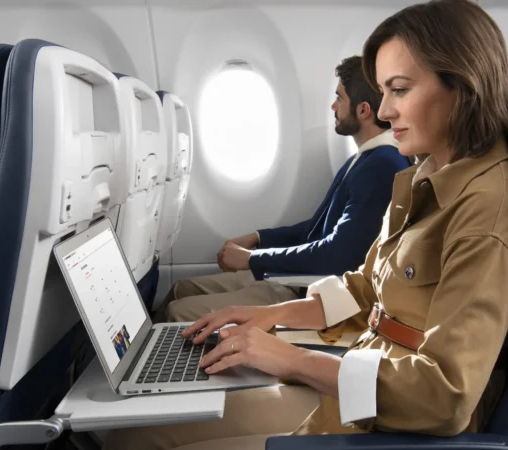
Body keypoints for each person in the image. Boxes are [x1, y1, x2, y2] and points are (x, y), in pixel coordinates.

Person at [103, 1, 508, 448]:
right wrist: (266, 318)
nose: (385, 111)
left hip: (400, 423)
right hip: (361, 376)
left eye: (400, 89)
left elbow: (444, 396)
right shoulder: (422, 181)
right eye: (383, 92)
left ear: (462, 85)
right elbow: (363, 289)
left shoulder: (489, 212)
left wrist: (291, 360)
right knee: (138, 428)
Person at [157, 56, 411, 323]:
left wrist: (252, 260)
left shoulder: (383, 165)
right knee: (179, 289)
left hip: (308, 292)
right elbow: (314, 229)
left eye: (340, 98)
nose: (333, 106)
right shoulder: (364, 159)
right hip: (296, 279)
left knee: (178, 312)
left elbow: (338, 255)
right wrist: (258, 238)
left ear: (363, 111)